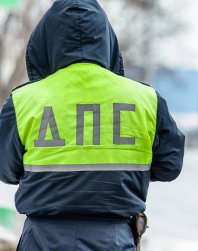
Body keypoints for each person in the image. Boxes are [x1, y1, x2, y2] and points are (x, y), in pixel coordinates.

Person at [0, 0, 185, 250]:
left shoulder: (24, 101)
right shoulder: (145, 100)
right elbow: (169, 166)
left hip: (43, 240)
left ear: (45, 42)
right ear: (107, 41)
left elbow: (5, 169)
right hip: (115, 240)